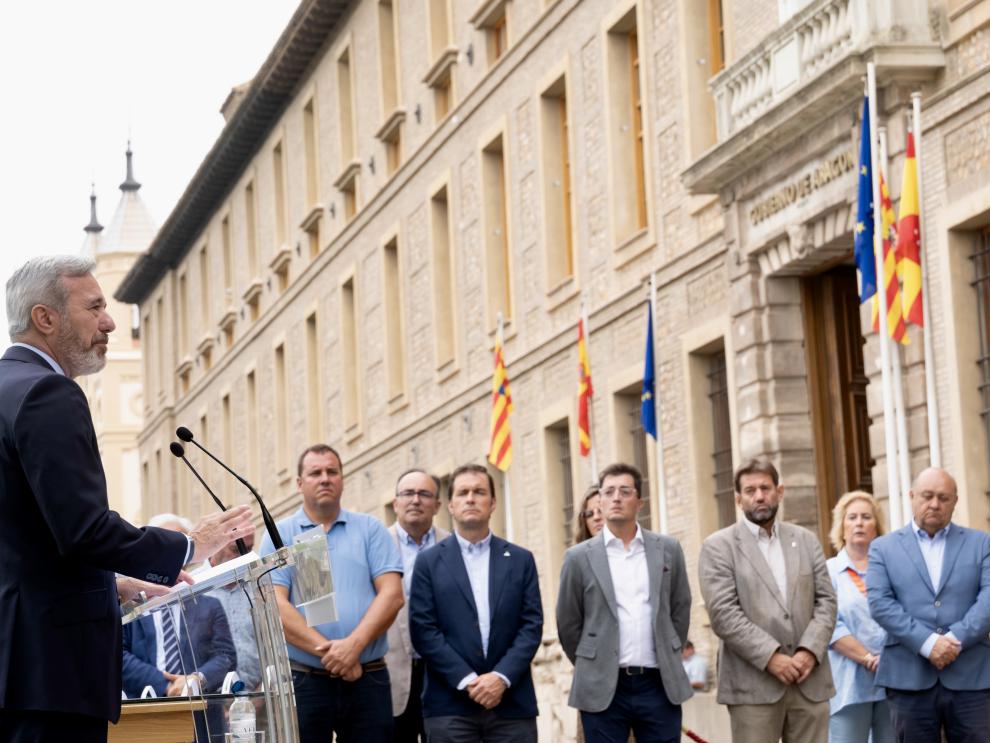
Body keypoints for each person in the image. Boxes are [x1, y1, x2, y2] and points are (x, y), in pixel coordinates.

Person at [0, 255, 252, 742]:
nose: (110, 321)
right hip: (53, 676)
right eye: (94, 307)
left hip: (20, 670)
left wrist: (116, 585)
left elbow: (25, 540)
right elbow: (83, 530)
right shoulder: (49, 392)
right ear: (44, 318)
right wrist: (189, 545)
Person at [258, 444, 404, 743]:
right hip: (307, 682)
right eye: (315, 473)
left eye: (332, 472)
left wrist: (353, 648)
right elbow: (275, 605)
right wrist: (334, 655)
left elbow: (392, 596)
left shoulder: (370, 529)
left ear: (342, 479)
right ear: (299, 483)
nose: (325, 478)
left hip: (368, 678)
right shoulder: (282, 533)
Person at [698, 458, 837, 743]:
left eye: (765, 487)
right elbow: (724, 615)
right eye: (750, 490)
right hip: (753, 687)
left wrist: (809, 652)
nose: (759, 496)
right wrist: (772, 658)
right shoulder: (718, 547)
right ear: (738, 499)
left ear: (780, 491)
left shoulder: (807, 540)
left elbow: (826, 602)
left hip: (809, 681)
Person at [556, 462, 693, 742]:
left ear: (639, 502)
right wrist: (593, 661)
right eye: (609, 492)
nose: (616, 498)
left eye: (625, 491)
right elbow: (568, 623)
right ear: (601, 500)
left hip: (658, 683)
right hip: (603, 686)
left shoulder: (667, 549)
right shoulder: (578, 557)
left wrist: (668, 651)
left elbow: (680, 609)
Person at [409, 463, 543, 742]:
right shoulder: (429, 562)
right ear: (450, 505)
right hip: (450, 705)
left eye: (479, 492)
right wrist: (468, 681)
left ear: (493, 503)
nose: (471, 498)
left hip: (511, 704)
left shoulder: (520, 559)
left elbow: (531, 625)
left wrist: (500, 678)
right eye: (463, 493)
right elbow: (423, 629)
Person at [867, 467, 990, 742]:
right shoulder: (883, 548)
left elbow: (988, 600)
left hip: (971, 675)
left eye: (944, 498)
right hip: (908, 677)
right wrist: (928, 643)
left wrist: (954, 639)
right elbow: (879, 603)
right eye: (927, 496)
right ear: (912, 496)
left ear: (955, 502)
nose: (935, 504)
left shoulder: (982, 543)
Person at [122, 516, 236, 741]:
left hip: (202, 720)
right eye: (162, 545)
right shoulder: (129, 605)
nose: (169, 554)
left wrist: (196, 679)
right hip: (144, 715)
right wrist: (165, 684)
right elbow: (118, 656)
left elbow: (226, 657)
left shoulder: (210, 605)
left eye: (176, 544)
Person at [386, 469, 451, 742]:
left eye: (424, 494)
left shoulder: (453, 546)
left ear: (437, 505)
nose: (415, 500)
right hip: (391, 674)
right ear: (395, 502)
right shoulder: (377, 544)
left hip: (442, 675)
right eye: (408, 493)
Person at [825, 491, 893, 743]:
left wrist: (888, 657)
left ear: (877, 527)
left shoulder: (891, 568)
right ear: (842, 528)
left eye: (866, 517)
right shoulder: (827, 571)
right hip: (848, 687)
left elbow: (903, 616)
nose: (859, 523)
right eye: (852, 517)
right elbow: (828, 625)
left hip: (892, 683)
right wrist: (868, 658)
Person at [209, 528, 262, 691]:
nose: (243, 557)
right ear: (215, 546)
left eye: (248, 549)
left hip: (259, 700)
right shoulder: (192, 588)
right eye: (235, 549)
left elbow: (275, 649)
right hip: (208, 703)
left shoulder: (260, 585)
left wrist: (259, 697)